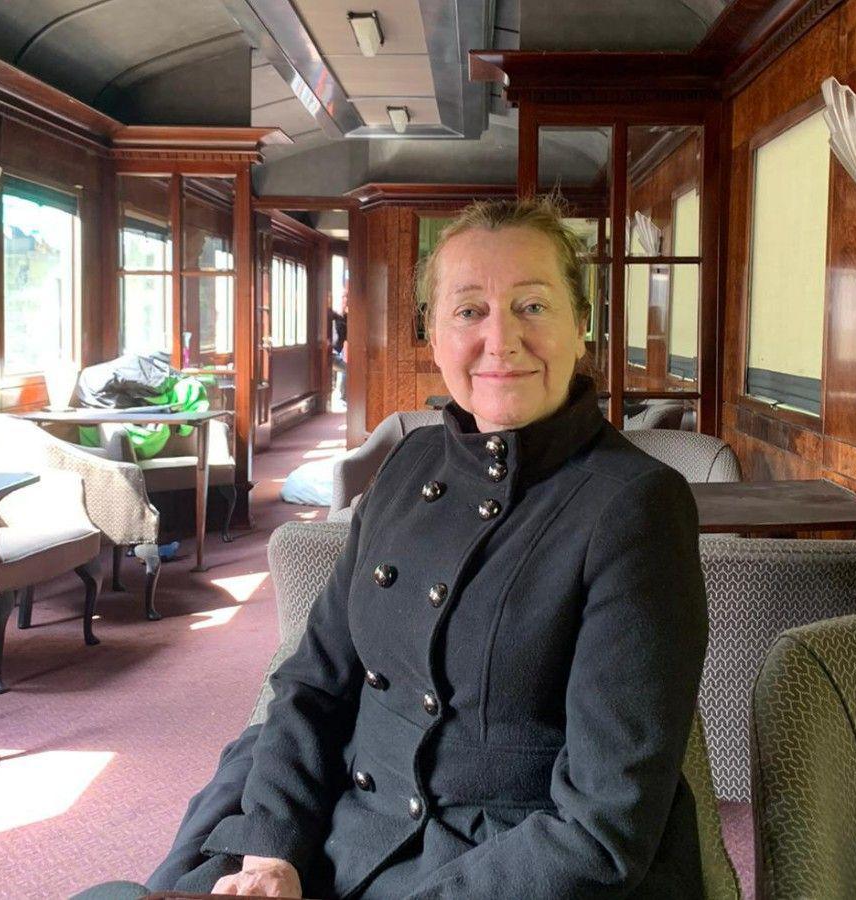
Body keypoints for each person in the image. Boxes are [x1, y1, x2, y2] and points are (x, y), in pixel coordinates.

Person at [80, 196, 707, 899]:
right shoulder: (409, 465)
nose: (500, 341)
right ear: (433, 334)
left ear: (581, 325)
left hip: (511, 873)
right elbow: (312, 680)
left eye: (533, 306)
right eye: (469, 311)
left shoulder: (636, 506)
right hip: (340, 832)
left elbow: (603, 828)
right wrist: (272, 852)